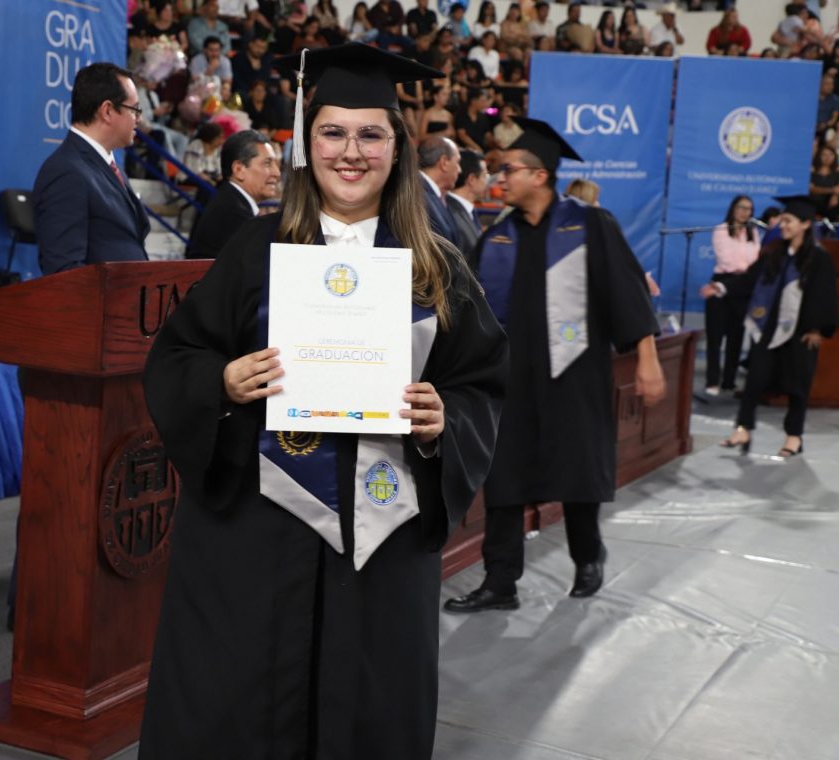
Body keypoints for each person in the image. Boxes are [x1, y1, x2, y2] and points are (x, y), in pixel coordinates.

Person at [138, 43, 508, 758]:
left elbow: (482, 383)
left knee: (366, 710)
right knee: (237, 708)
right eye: (333, 132)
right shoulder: (257, 247)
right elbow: (178, 357)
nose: (351, 152)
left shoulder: (436, 264)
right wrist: (222, 381)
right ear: (308, 144)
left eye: (371, 134)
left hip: (382, 533)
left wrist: (444, 420)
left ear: (397, 148)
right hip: (256, 528)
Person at [445, 118, 665, 613]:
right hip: (511, 381)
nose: (500, 179)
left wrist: (648, 360)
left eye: (509, 170)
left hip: (574, 374)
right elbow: (470, 309)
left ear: (539, 175)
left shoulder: (589, 226)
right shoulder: (497, 238)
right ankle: (500, 581)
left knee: (576, 470)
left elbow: (627, 292)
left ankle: (587, 556)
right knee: (504, 480)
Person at [713, 196, 838, 458]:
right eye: (782, 220)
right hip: (769, 327)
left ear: (805, 224)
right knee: (755, 380)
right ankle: (743, 429)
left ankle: (794, 437)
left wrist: (816, 328)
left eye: (788, 221)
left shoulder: (818, 258)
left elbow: (824, 295)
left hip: (801, 330)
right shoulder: (775, 253)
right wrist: (721, 286)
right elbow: (750, 279)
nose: (783, 225)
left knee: (798, 385)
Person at [34, 62, 150, 274]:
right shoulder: (66, 172)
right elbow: (64, 271)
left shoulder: (108, 165)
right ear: (107, 111)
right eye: (135, 109)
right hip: (105, 296)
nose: (139, 119)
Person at [186, 129, 280, 259]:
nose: (277, 173)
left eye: (276, 164)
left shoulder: (229, 201)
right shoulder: (233, 213)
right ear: (239, 169)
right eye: (267, 163)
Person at [702, 195, 761, 396]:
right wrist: (746, 270)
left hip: (744, 287)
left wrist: (748, 272)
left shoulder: (753, 232)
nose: (745, 212)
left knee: (737, 335)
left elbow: (756, 259)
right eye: (741, 207)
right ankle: (712, 381)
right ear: (733, 208)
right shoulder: (721, 230)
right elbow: (726, 260)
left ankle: (729, 380)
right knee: (715, 336)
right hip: (722, 281)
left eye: (749, 209)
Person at [418, 135, 461, 246]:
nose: (459, 170)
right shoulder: (417, 195)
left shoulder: (430, 193)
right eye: (457, 162)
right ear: (444, 162)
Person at [446, 149, 488, 262]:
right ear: (472, 179)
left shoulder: (465, 211)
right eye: (485, 175)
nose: (487, 182)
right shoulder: (451, 213)